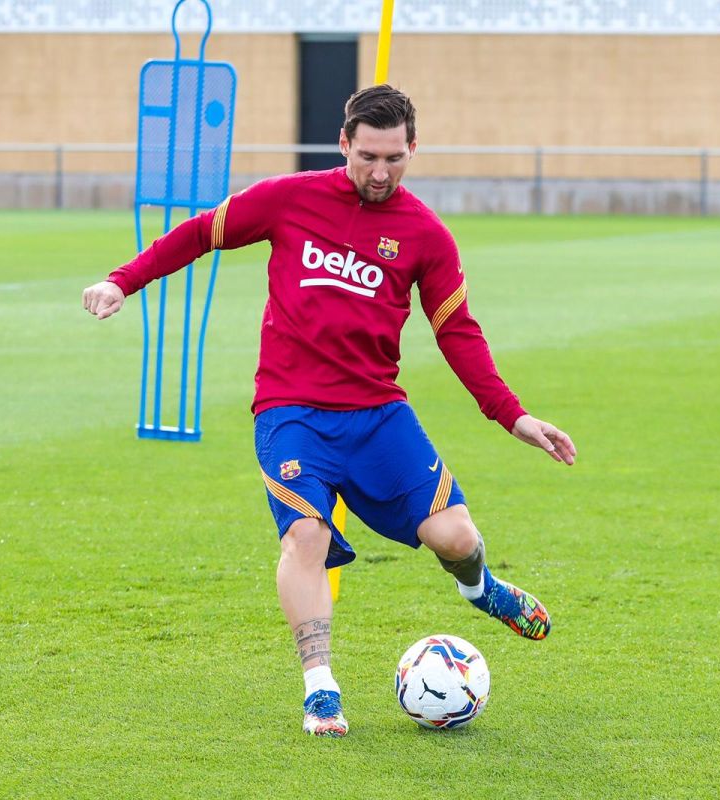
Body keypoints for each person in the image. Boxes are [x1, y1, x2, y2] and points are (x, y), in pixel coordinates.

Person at [83, 85, 576, 738]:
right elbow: (202, 233)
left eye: (394, 158)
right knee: (305, 536)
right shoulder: (289, 199)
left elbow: (458, 331)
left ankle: (479, 588)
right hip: (291, 412)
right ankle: (320, 689)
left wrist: (513, 415)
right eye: (367, 156)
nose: (379, 172)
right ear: (343, 143)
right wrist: (122, 280)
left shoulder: (426, 234)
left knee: (455, 539)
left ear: (412, 150)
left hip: (377, 415)